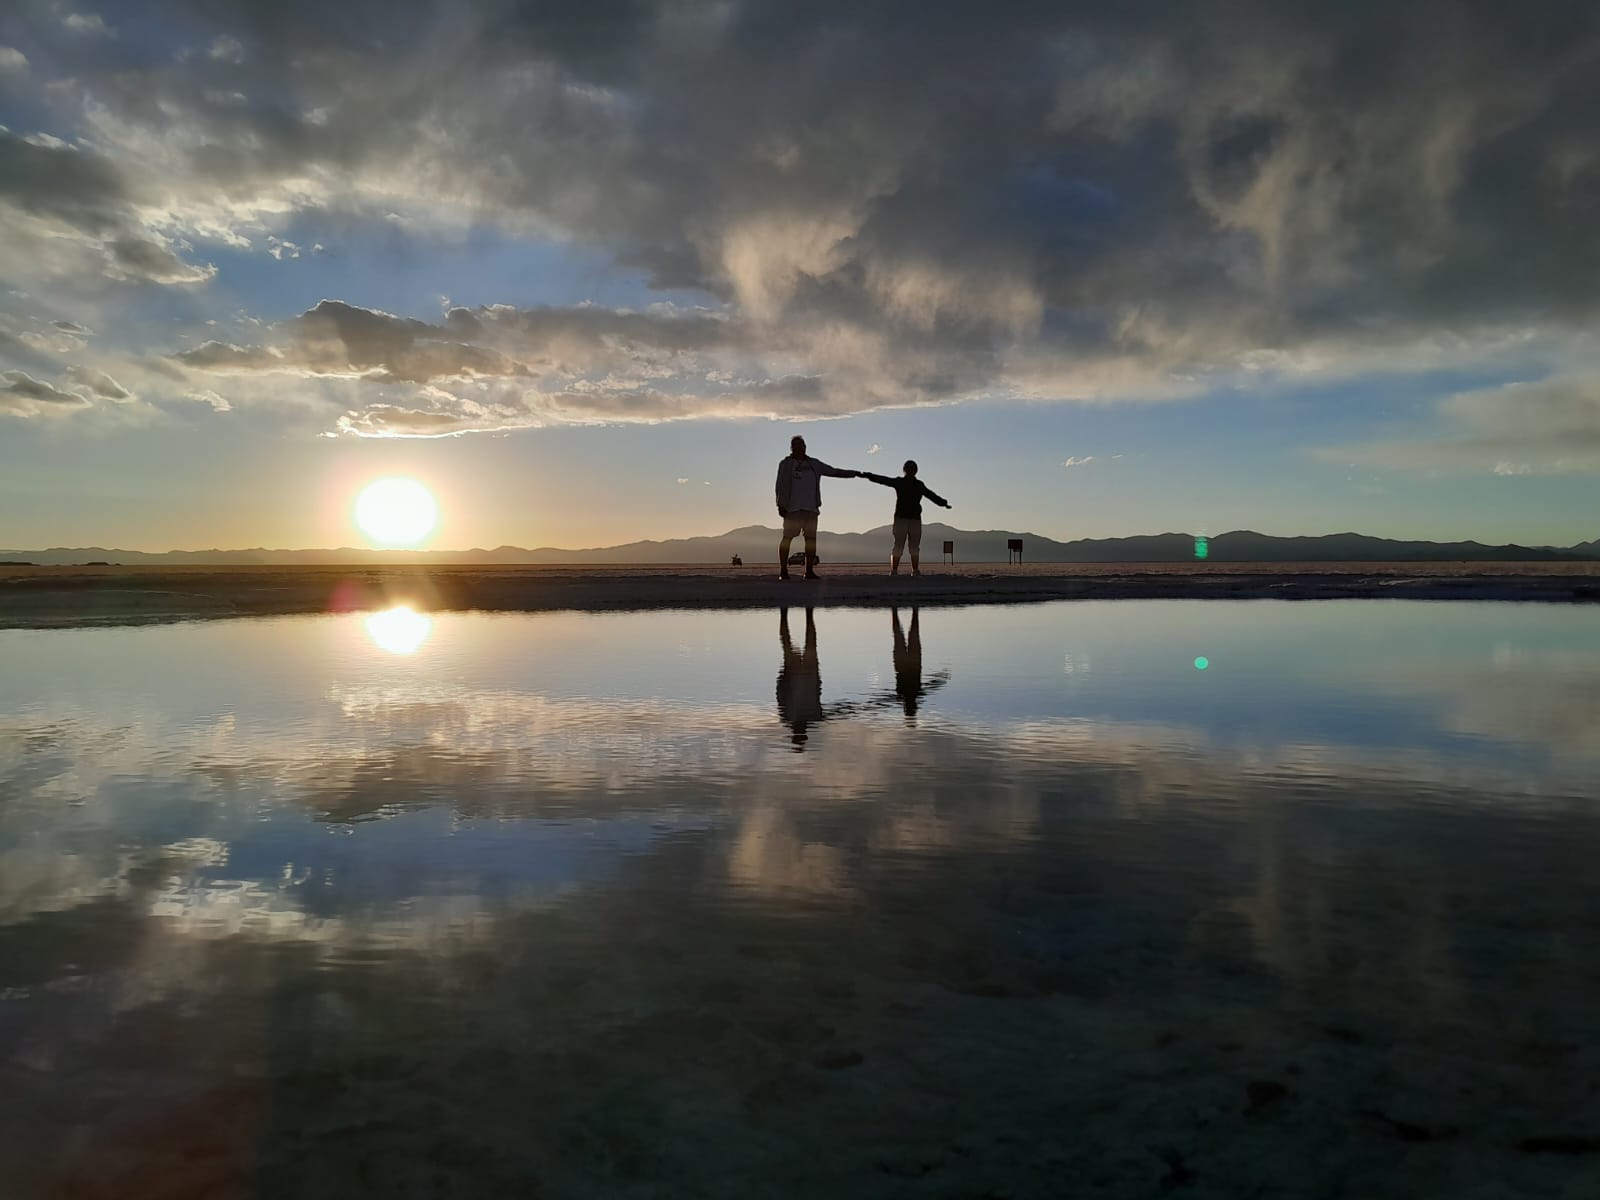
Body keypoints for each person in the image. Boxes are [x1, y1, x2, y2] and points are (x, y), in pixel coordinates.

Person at [775, 435, 858, 579]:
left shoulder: (814, 464)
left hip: (811, 509)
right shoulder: (786, 464)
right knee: (787, 538)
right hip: (792, 509)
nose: (798, 448)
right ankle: (783, 570)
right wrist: (780, 505)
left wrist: (853, 474)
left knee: (811, 540)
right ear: (791, 448)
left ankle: (809, 571)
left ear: (805, 447)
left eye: (800, 445)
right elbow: (780, 485)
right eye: (795, 446)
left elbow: (833, 471)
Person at [861, 459, 951, 575]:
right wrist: (870, 476)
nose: (910, 471)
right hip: (901, 519)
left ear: (915, 471)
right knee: (899, 544)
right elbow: (884, 480)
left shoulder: (919, 485)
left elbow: (931, 495)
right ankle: (894, 570)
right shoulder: (900, 482)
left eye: (912, 469)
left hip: (914, 519)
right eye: (908, 469)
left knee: (914, 546)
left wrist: (943, 503)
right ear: (905, 470)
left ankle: (915, 570)